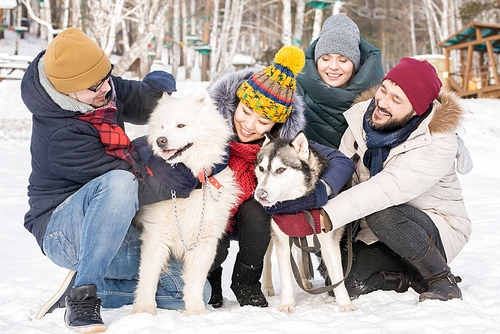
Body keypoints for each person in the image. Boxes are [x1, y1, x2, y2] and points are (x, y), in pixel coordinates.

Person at [21, 27, 211, 333]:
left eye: (105, 79)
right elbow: (131, 181)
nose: (104, 90)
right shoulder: (58, 135)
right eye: (91, 88)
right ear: (66, 92)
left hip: (110, 226)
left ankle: (86, 285)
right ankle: (84, 296)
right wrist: (183, 176)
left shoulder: (97, 87)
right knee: (120, 182)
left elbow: (137, 101)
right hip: (63, 230)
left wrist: (157, 95)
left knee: (190, 291)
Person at [298, 57, 471, 302]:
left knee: (383, 212)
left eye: (396, 99)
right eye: (383, 90)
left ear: (416, 111)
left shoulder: (436, 142)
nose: (382, 102)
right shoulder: (362, 120)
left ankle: (440, 278)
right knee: (345, 282)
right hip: (376, 226)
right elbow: (343, 170)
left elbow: (385, 189)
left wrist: (325, 217)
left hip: (432, 227)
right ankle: (413, 278)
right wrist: (311, 201)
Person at [205, 46, 356, 308]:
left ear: (275, 126)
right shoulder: (207, 128)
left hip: (251, 216)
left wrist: (322, 191)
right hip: (208, 214)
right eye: (246, 111)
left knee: (259, 210)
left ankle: (246, 281)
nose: (250, 125)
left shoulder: (282, 145)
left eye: (263, 121)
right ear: (236, 102)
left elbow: (341, 161)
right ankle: (211, 276)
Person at [296, 14, 385, 149]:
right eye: (325, 59)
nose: (333, 66)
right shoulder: (294, 92)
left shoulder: (377, 99)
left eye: (343, 60)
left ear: (355, 63)